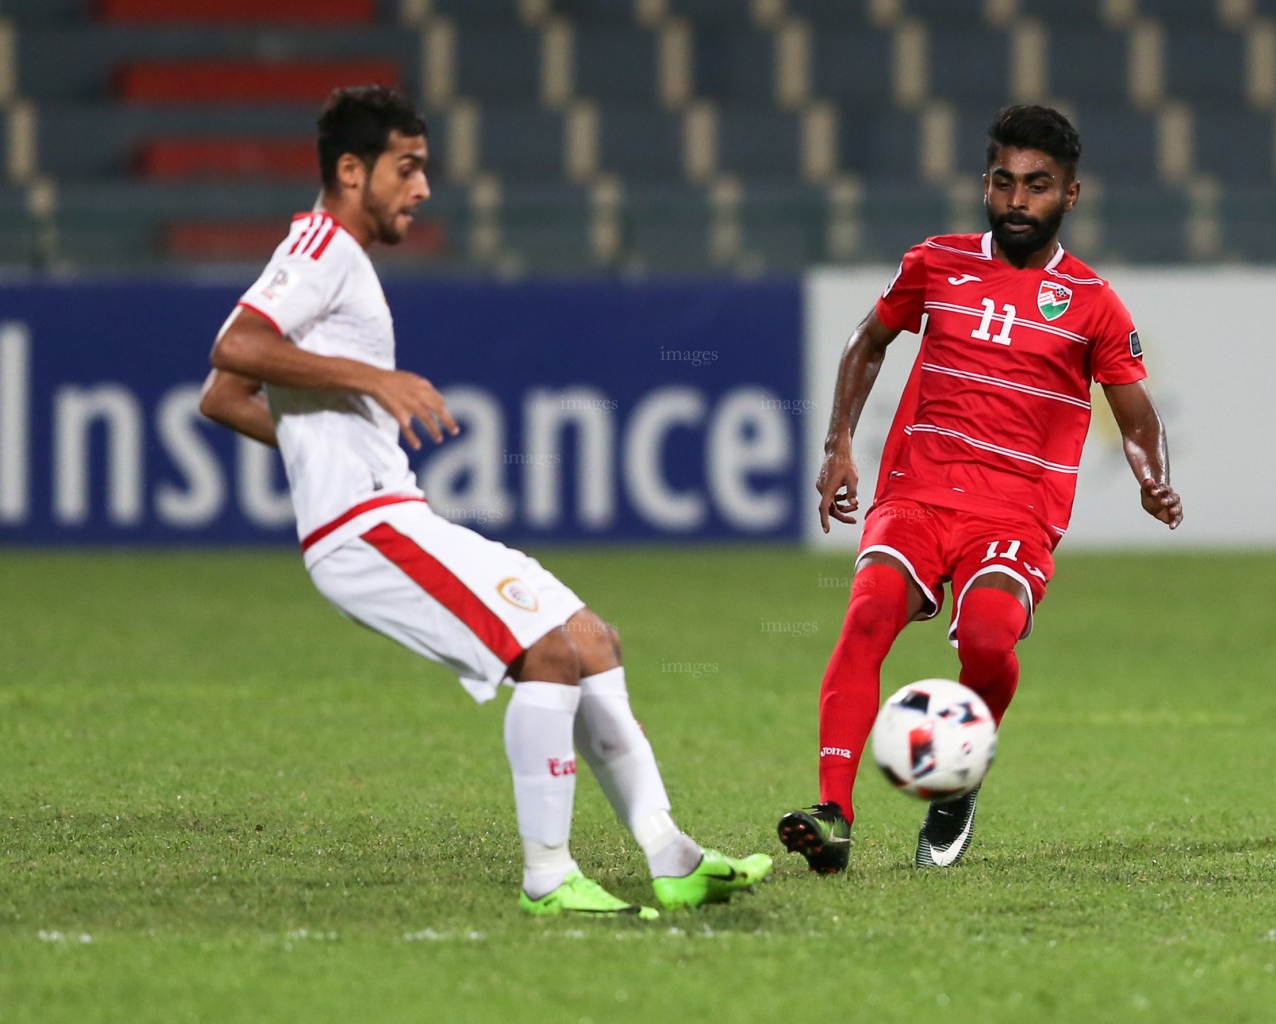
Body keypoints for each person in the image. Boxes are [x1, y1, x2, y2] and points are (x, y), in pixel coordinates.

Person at [198, 85, 771, 918]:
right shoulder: (322, 247)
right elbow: (235, 350)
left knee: (588, 639)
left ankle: (670, 853)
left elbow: (221, 397)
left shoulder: (335, 256)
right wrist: (374, 382)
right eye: (409, 167)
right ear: (352, 171)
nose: (423, 187)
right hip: (365, 529)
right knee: (546, 655)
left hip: (386, 513)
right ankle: (548, 874)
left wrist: (323, 449)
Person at [777, 105, 1183, 873]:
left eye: (1038, 186)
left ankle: (957, 786)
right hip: (917, 492)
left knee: (990, 639)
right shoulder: (935, 262)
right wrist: (838, 446)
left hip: (1017, 511)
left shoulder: (1093, 302)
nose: (1018, 200)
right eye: (1005, 183)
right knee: (866, 616)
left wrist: (1153, 479)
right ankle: (833, 813)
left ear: (1071, 195)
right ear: (985, 185)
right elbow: (868, 342)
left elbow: (1135, 413)